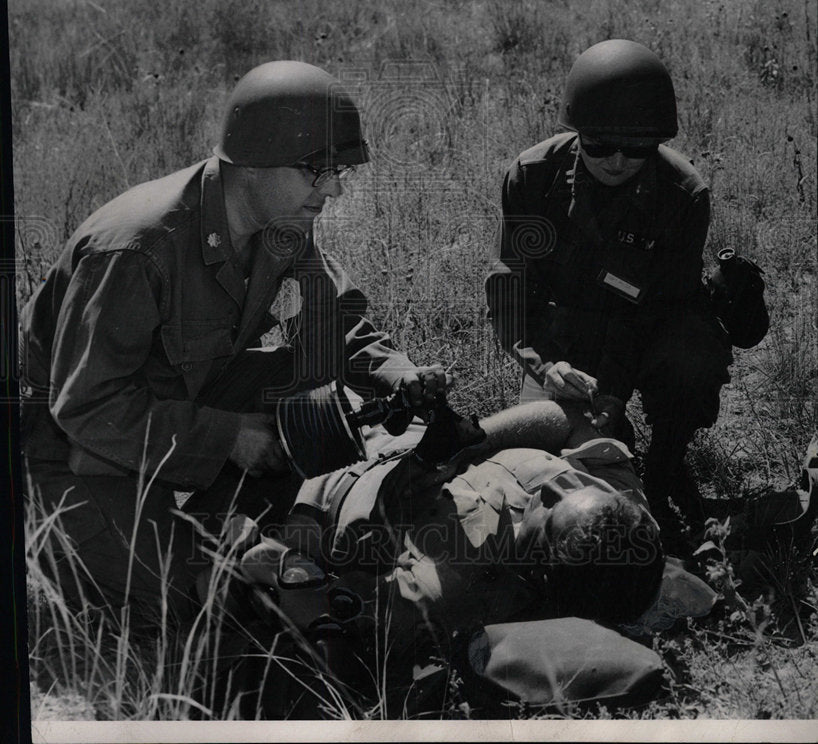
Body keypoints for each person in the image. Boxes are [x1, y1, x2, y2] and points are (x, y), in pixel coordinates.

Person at [19, 60, 447, 621]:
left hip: (170, 398)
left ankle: (242, 518)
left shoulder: (283, 215)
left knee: (303, 381)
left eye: (338, 170)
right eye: (317, 170)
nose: (335, 188)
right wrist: (229, 437)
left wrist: (401, 374)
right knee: (194, 599)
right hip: (62, 441)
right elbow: (84, 404)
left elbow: (332, 322)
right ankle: (62, 537)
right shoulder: (139, 248)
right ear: (252, 163)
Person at [237, 397, 667, 712]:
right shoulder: (614, 513)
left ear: (539, 572)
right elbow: (563, 418)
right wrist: (471, 442)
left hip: (328, 471)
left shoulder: (444, 592)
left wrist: (300, 530)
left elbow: (297, 593)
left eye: (552, 513)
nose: (554, 491)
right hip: (401, 426)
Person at [484, 39, 733, 538]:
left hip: (647, 328)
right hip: (566, 336)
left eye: (637, 148)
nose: (618, 161)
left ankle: (665, 463)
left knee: (692, 354)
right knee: (546, 451)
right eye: (599, 145)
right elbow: (512, 290)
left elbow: (662, 306)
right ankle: (613, 440)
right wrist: (548, 365)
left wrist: (616, 391)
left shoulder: (684, 195)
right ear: (577, 134)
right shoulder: (533, 178)